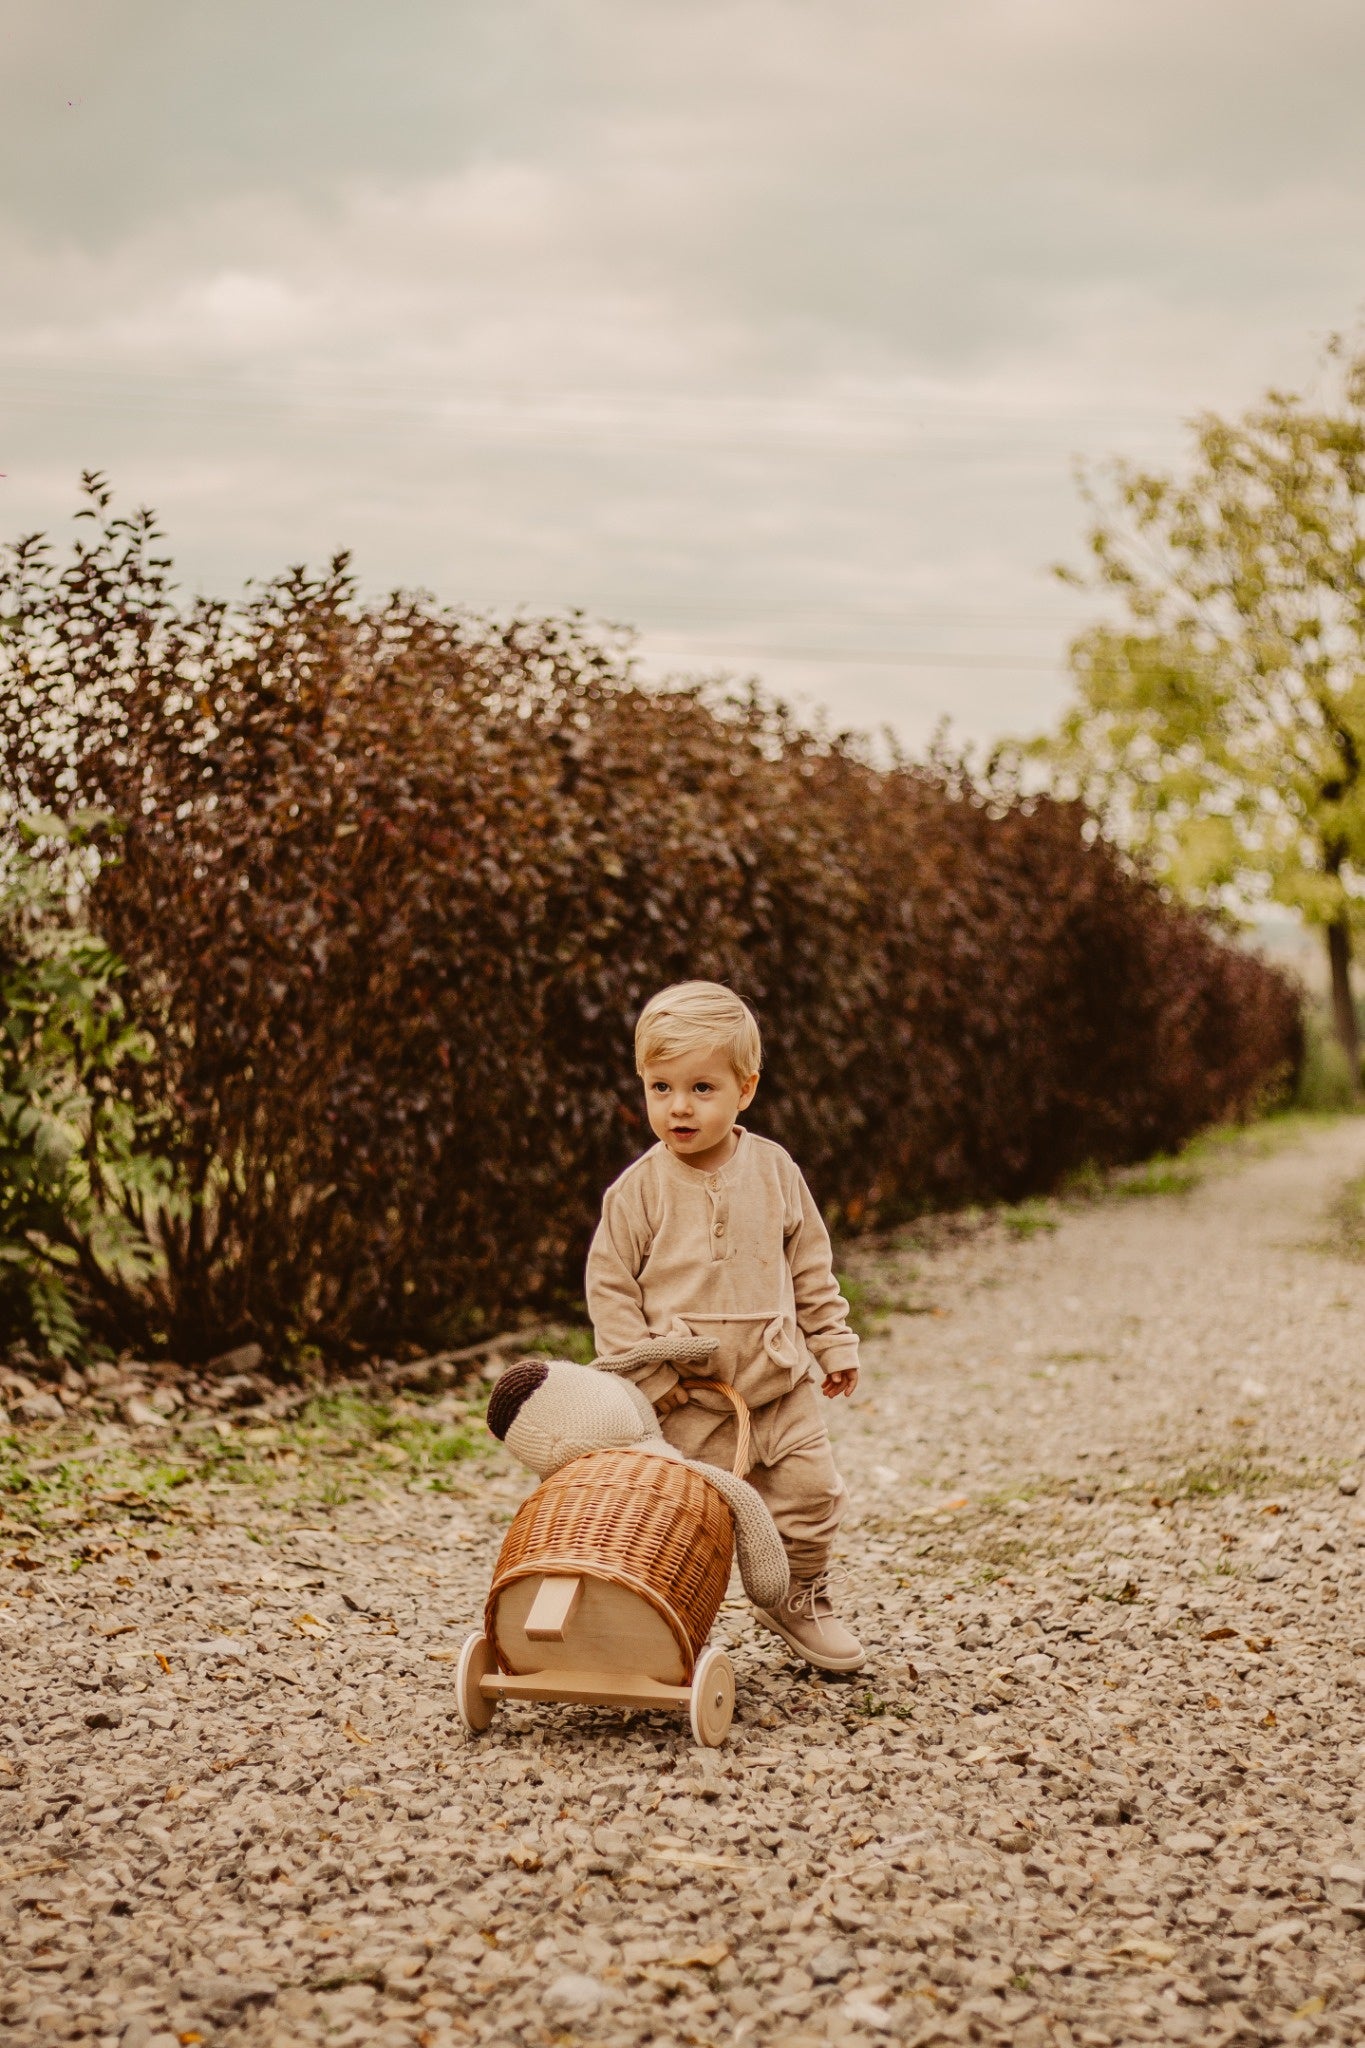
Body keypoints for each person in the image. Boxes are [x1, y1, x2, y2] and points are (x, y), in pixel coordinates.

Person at [585, 980, 864, 1673]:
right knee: (686, 1520)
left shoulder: (772, 1169)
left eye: (701, 1088)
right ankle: (670, 1623)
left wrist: (830, 1342)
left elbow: (810, 1264)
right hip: (691, 1398)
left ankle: (796, 1597)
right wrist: (647, 1379)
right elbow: (610, 1286)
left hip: (777, 1382)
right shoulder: (638, 1190)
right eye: (660, 1087)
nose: (678, 1106)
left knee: (813, 1494)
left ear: (745, 1088)